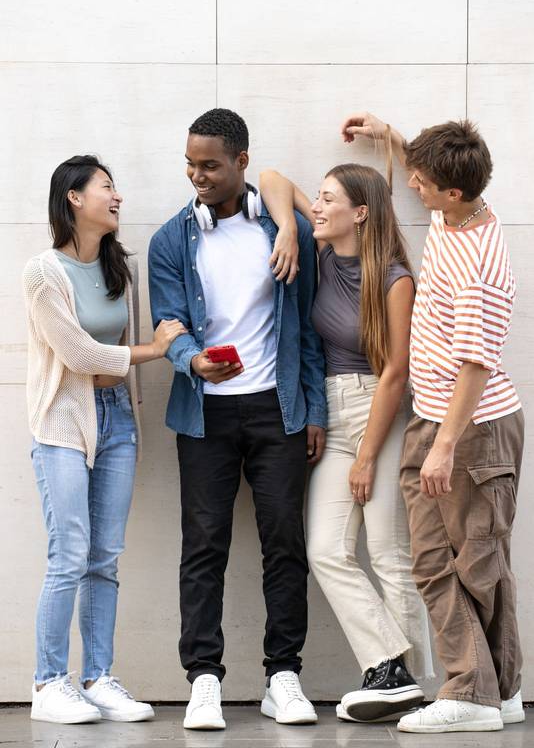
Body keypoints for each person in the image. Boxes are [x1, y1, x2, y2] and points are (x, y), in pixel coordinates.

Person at [341, 112, 525, 733]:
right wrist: (392, 137)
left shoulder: (479, 262)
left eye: (419, 182)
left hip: (467, 427)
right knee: (477, 560)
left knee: (458, 561)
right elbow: (436, 170)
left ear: (450, 191)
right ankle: (499, 689)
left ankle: (470, 692)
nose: (411, 189)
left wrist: (444, 446)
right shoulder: (459, 211)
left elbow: (476, 364)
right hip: (442, 419)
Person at [148, 108, 327, 730]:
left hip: (276, 408)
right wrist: (192, 361)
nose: (198, 176)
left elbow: (305, 330)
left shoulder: (288, 232)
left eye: (210, 165)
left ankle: (284, 675)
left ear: (241, 162)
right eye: (191, 165)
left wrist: (312, 408)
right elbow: (167, 323)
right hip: (204, 415)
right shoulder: (171, 239)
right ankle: (203, 680)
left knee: (285, 543)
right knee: (203, 547)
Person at [260, 163, 434, 723]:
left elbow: (396, 374)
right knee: (327, 550)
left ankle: (409, 687)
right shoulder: (323, 252)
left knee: (388, 554)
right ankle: (393, 668)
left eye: (328, 198)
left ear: (359, 213)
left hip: (379, 414)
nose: (319, 205)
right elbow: (272, 178)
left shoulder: (395, 277)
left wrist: (365, 457)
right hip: (331, 413)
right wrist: (287, 226)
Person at [23, 155, 185, 725]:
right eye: (107, 188)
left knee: (104, 558)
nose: (117, 198)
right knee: (68, 554)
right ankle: (48, 683)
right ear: (74, 197)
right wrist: (157, 350)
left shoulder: (122, 270)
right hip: (64, 425)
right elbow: (81, 357)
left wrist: (132, 366)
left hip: (117, 422)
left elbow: (114, 368)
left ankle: (97, 678)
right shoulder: (42, 273)